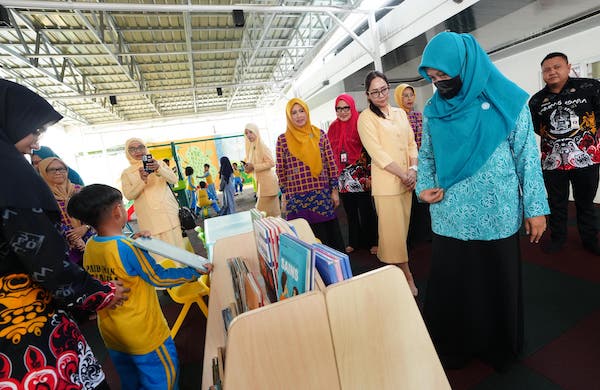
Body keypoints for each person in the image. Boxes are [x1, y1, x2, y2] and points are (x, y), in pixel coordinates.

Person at [416, 32, 549, 370]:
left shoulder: (509, 101)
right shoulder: (434, 110)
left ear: (466, 65)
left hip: (497, 211)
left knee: (495, 280)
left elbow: (527, 158)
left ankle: (498, 348)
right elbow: (427, 155)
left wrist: (535, 209)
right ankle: (456, 346)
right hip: (450, 214)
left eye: (444, 75)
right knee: (456, 283)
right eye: (432, 79)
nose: (440, 84)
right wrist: (424, 186)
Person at [0, 79, 129, 389]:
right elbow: (46, 262)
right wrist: (102, 293)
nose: (35, 143)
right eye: (34, 131)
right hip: (23, 324)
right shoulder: (9, 179)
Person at [67, 183, 211, 390]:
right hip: (145, 334)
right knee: (163, 381)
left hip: (112, 333)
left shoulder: (91, 246)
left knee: (131, 382)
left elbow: (110, 257)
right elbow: (158, 277)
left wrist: (134, 241)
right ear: (118, 211)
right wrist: (194, 271)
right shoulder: (127, 248)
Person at [528, 52, 600, 255]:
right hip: (552, 162)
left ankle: (590, 240)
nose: (551, 72)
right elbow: (536, 127)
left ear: (568, 67)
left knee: (585, 203)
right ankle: (558, 238)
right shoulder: (536, 101)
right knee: (556, 203)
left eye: (556, 67)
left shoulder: (590, 87)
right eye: (546, 69)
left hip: (586, 158)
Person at [357, 71, 419, 296]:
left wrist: (412, 170)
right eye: (375, 92)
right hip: (388, 185)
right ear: (368, 95)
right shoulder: (366, 118)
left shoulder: (400, 113)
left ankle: (393, 269)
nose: (381, 95)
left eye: (384, 89)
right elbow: (378, 154)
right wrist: (403, 174)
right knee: (393, 235)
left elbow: (411, 144)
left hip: (407, 183)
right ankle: (406, 275)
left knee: (400, 234)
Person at [276, 98, 345, 251]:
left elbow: (331, 164)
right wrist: (284, 197)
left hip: (321, 197)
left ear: (307, 113)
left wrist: (334, 191)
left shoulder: (320, 135)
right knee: (304, 242)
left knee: (327, 241)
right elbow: (281, 171)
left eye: (301, 111)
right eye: (293, 113)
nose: (299, 116)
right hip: (297, 200)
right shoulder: (282, 140)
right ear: (289, 116)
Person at [327, 94, 378, 254]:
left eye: (346, 107)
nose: (342, 112)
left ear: (352, 106)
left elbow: (370, 150)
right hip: (343, 177)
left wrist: (370, 175)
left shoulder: (360, 123)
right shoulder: (333, 128)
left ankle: (373, 241)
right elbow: (329, 153)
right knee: (350, 212)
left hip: (360, 174)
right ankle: (354, 241)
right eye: (339, 108)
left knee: (366, 211)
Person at [121, 138, 185, 249]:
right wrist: (142, 180)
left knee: (177, 250)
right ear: (127, 152)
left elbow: (174, 180)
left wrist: (159, 169)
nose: (137, 151)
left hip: (169, 215)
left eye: (141, 147)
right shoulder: (126, 173)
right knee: (159, 255)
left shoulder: (159, 163)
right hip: (149, 221)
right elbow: (129, 195)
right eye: (132, 149)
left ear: (145, 148)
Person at [394, 83, 432, 248]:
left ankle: (425, 233)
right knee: (407, 200)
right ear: (398, 98)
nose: (409, 99)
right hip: (404, 163)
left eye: (411, 95)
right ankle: (411, 236)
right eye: (405, 95)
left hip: (421, 162)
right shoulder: (396, 117)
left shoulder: (418, 115)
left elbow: (424, 139)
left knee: (421, 196)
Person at [38, 156, 94, 265]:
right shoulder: (42, 196)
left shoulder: (81, 191)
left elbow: (95, 213)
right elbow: (47, 221)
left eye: (61, 169)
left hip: (90, 240)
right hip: (63, 246)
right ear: (43, 173)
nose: (58, 172)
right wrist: (75, 238)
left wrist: (85, 227)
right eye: (52, 170)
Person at [243, 122, 281, 217]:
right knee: (273, 215)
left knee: (259, 214)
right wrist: (248, 168)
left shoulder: (262, 146)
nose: (248, 135)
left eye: (250, 132)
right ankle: (278, 231)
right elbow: (253, 165)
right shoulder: (251, 147)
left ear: (256, 132)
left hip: (268, 185)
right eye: (246, 133)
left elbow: (271, 163)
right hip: (262, 185)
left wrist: (254, 166)